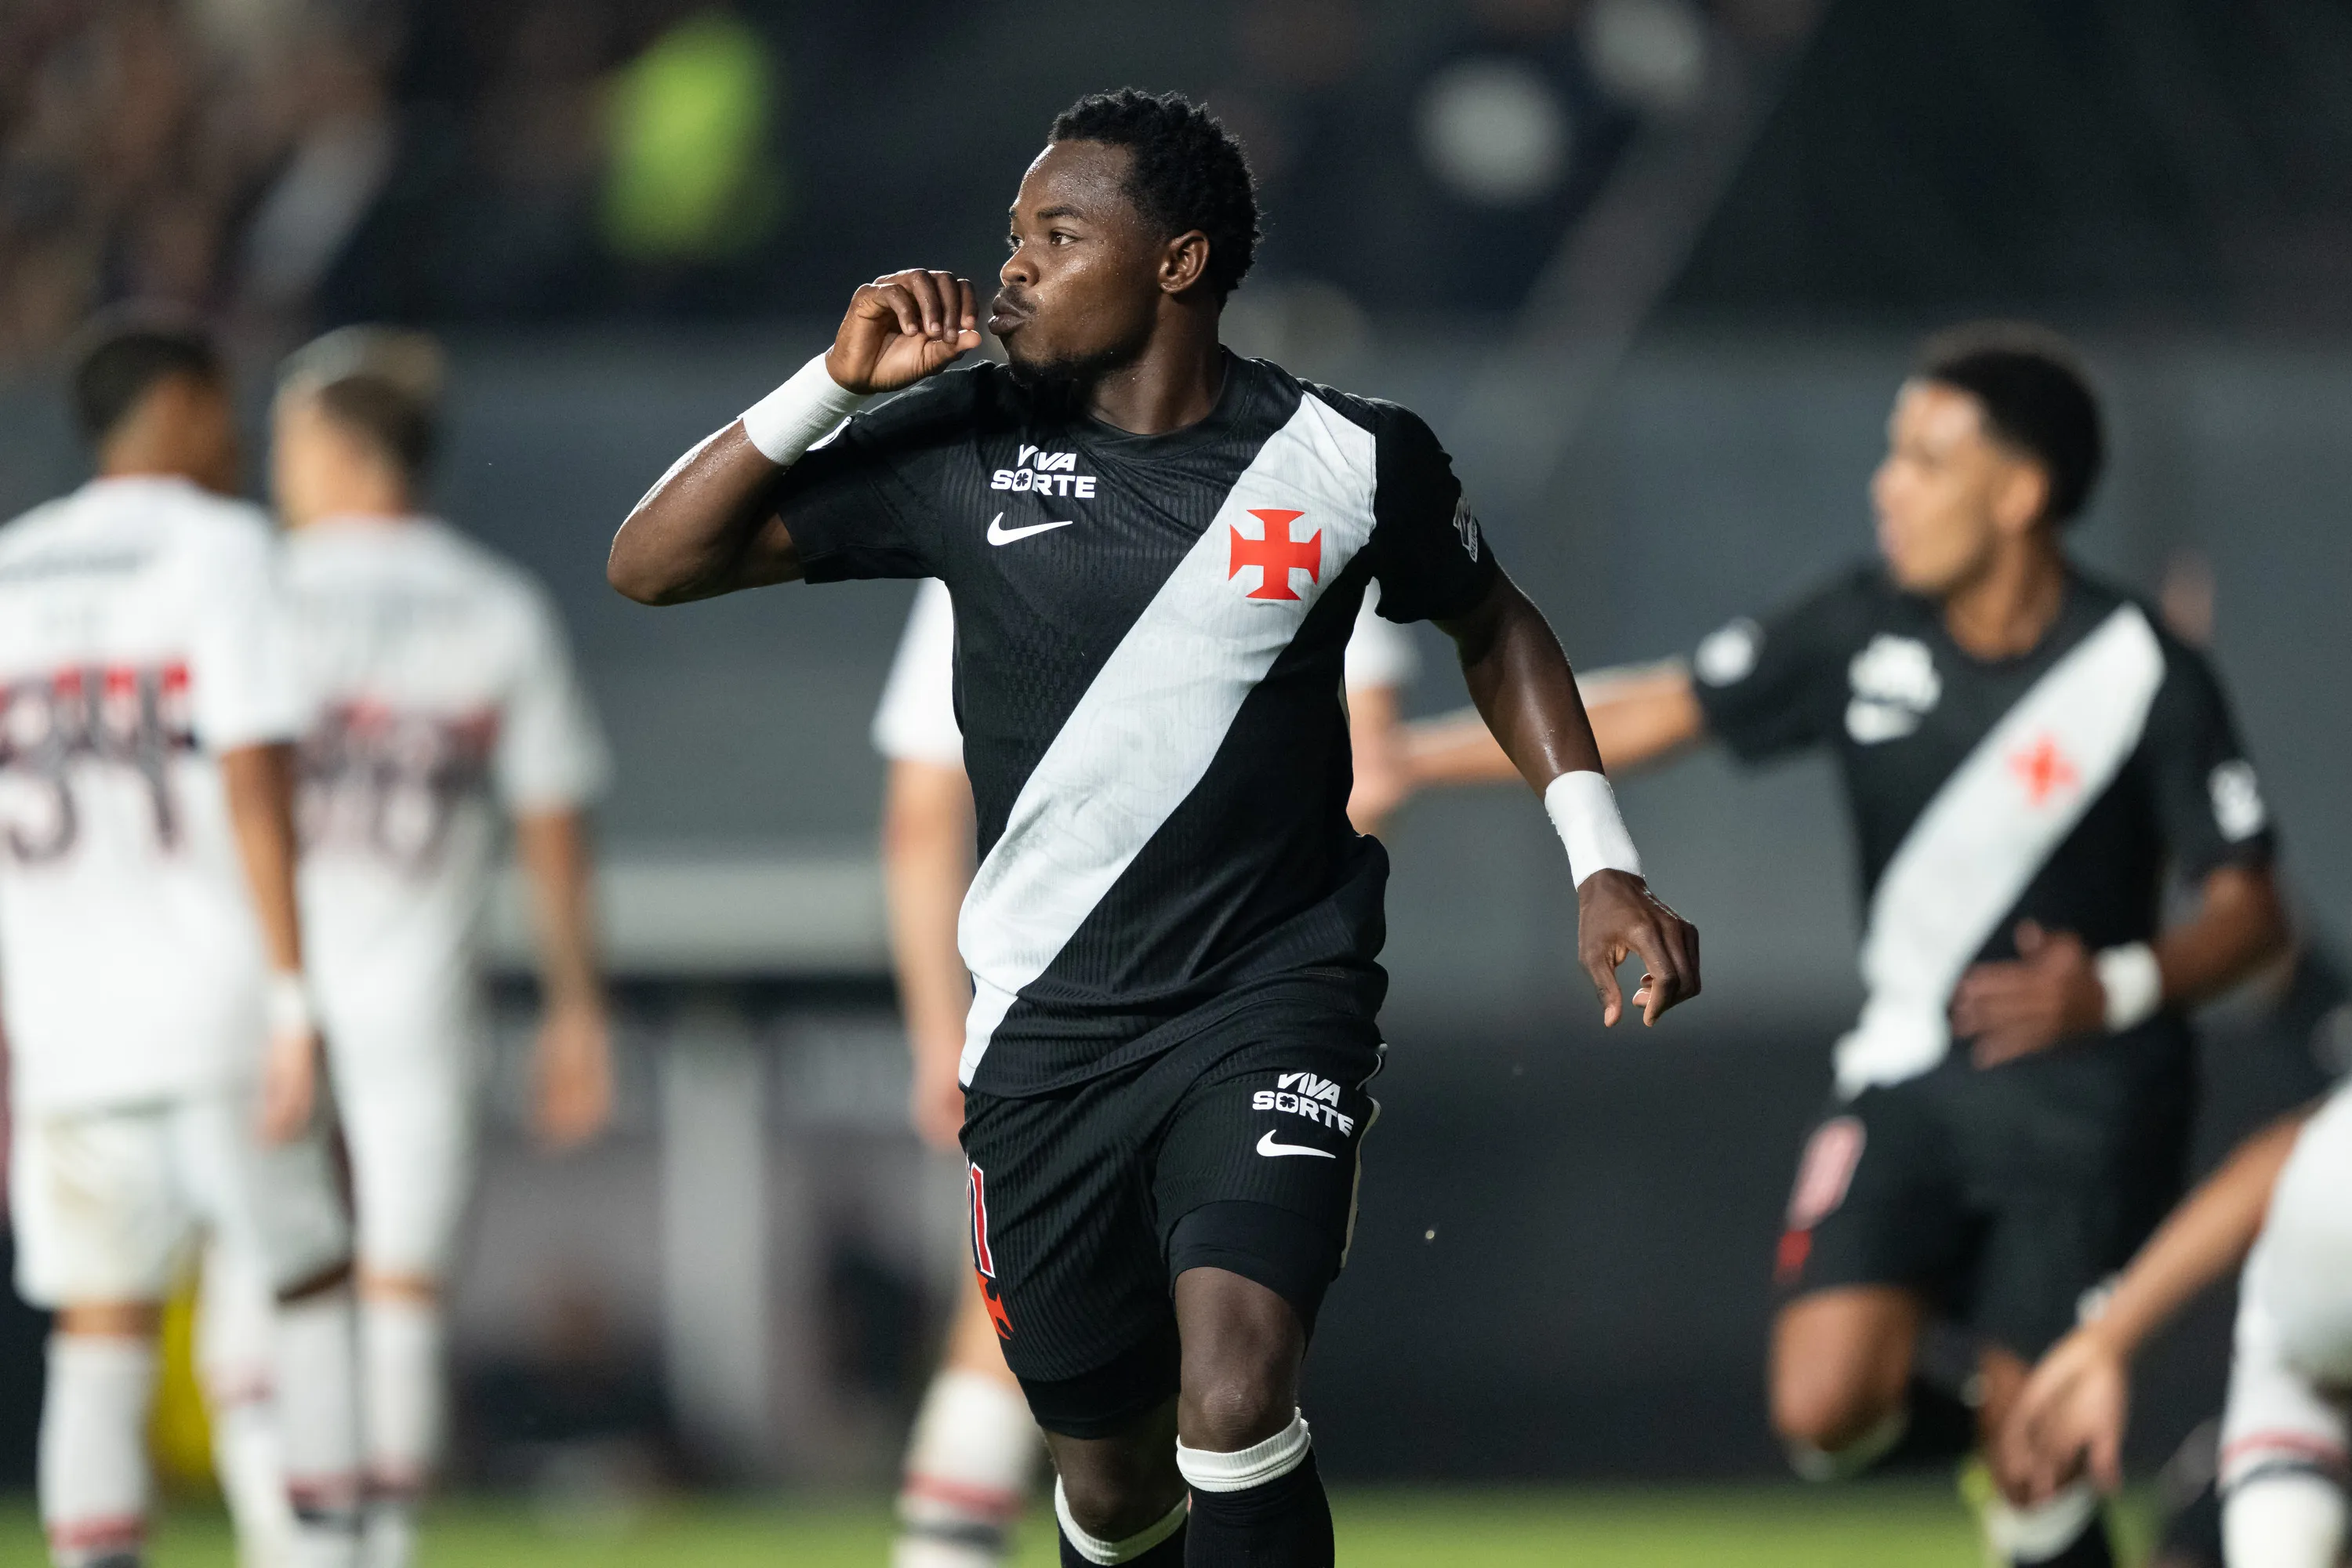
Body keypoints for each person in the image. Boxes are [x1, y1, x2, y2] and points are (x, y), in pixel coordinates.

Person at [609, 88, 1698, 1568]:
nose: (1015, 267)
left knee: (1238, 1393)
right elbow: (653, 565)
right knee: (1114, 1485)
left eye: (1058, 234)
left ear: (1177, 262)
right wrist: (829, 385)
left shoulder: (1350, 460)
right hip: (1046, 1038)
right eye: (1013, 235)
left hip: (1270, 1002)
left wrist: (1601, 859)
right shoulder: (961, 443)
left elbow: (1492, 621)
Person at [1407, 322, 2288, 1567]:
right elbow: (1666, 701)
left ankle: (2040, 1462)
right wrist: (1412, 760)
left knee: (2035, 1489)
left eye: (1926, 458)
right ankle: (2017, 1427)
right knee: (1822, 1409)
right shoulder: (1863, 623)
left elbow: (2258, 917)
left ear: (2022, 493)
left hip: (2089, 1101)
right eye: (1893, 452)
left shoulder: (2142, 667)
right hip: (1908, 1076)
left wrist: (2118, 984)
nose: (1889, 483)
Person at [874, 577, 1417, 1567]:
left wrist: (938, 1033)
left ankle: (943, 1548)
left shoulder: (997, 495)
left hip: (1054, 1014)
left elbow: (920, 811)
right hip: (1248, 1002)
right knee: (1204, 1382)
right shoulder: (1322, 473)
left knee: (1094, 1379)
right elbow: (1370, 771)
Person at [0, 313, 362, 1568]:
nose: (239, 438)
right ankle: (321, 1554)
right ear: (179, 410)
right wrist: (293, 995)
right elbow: (251, 771)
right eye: (223, 411)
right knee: (307, 1282)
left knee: (99, 1329)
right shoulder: (221, 548)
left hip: (61, 1022)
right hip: (213, 1001)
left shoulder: (11, 566)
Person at [249, 325, 613, 1568]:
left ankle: (289, 1545)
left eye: (293, 443)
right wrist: (577, 1008)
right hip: (419, 982)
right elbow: (553, 819)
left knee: (271, 1282)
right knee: (401, 1288)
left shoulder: (257, 589)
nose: (279, 468)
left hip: (265, 987)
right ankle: (380, 1546)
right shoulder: (491, 602)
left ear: (345, 450)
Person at [2000, 1080, 2352, 1567]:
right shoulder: (2329, 1175)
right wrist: (2104, 1339)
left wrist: (2106, 1339)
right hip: (2298, 1355)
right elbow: (2283, 1162)